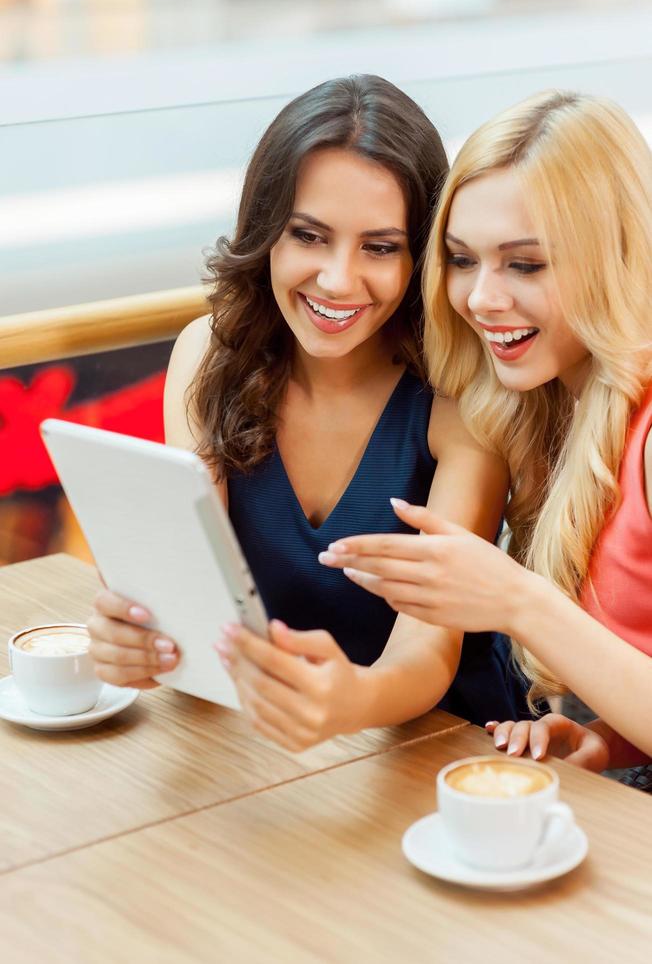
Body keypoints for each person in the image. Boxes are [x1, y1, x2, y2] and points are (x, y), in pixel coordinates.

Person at [87, 74, 532, 752]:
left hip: (444, 749)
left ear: (420, 260)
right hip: (265, 740)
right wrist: (145, 638)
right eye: (309, 235)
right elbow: (195, 590)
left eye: (380, 247)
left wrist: (349, 701)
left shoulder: (461, 397)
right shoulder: (208, 355)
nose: (336, 280)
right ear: (267, 232)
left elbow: (427, 654)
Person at [321, 90, 652, 772]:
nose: (480, 298)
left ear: (617, 255)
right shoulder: (542, 407)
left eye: (525, 264)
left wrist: (516, 601)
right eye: (463, 260)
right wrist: (604, 742)